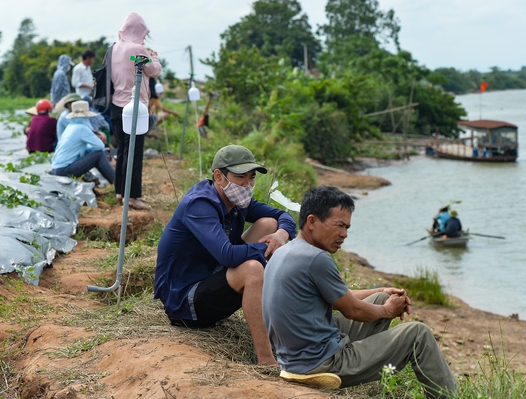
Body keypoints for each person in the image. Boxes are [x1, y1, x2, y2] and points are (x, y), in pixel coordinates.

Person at [262, 186, 458, 398]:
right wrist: (387, 311)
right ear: (312, 221)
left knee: (381, 298)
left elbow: (341, 297)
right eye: (339, 226)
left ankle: (369, 350)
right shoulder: (316, 259)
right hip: (320, 363)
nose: (344, 234)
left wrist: (382, 291)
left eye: (347, 227)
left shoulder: (287, 251)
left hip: (292, 356)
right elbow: (353, 310)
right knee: (418, 334)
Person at [154, 144, 296, 366]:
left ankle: (286, 335)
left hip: (212, 276)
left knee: (269, 223)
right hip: (185, 302)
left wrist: (280, 234)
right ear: (218, 176)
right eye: (240, 177)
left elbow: (282, 215)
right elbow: (227, 256)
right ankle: (267, 360)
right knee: (252, 269)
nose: (247, 185)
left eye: (251, 178)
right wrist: (268, 249)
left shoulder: (238, 201)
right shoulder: (200, 204)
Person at [110, 12, 162, 210]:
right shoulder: (139, 49)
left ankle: (120, 191)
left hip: (116, 106)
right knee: (135, 152)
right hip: (135, 107)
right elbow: (154, 70)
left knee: (123, 151)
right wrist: (154, 57)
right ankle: (132, 197)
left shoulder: (114, 48)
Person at [50, 101, 115, 184]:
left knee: (97, 154)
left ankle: (114, 182)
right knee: (99, 155)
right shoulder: (82, 128)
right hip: (64, 170)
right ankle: (117, 183)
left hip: (56, 169)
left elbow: (85, 149)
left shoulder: (70, 127)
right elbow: (100, 146)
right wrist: (104, 149)